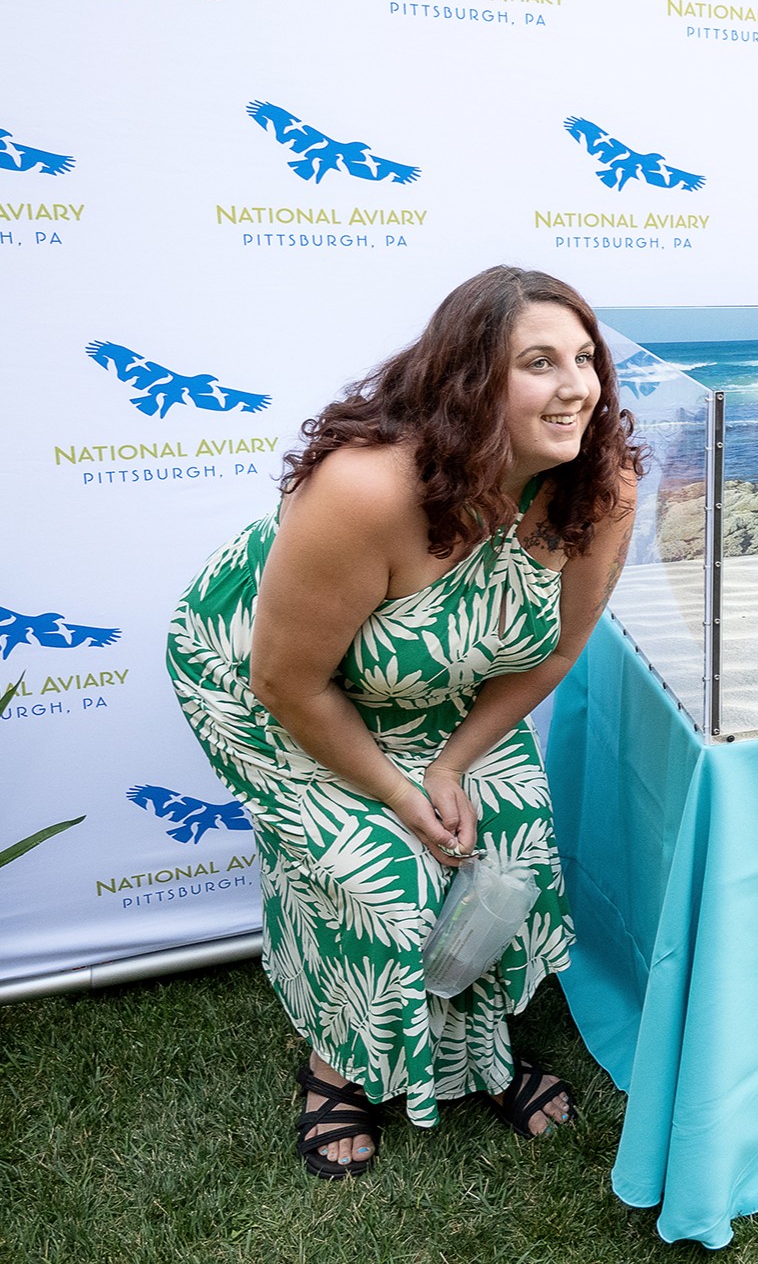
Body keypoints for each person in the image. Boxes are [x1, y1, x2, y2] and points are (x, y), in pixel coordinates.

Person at [166, 265, 644, 1176]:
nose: (576, 385)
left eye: (585, 358)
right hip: (262, 676)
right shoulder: (365, 491)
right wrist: (393, 789)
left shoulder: (599, 487)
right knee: (381, 869)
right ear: (472, 385)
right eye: (539, 362)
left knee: (510, 839)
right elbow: (288, 682)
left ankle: (474, 1046)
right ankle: (337, 1068)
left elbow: (551, 652)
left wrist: (453, 763)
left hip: (424, 686)